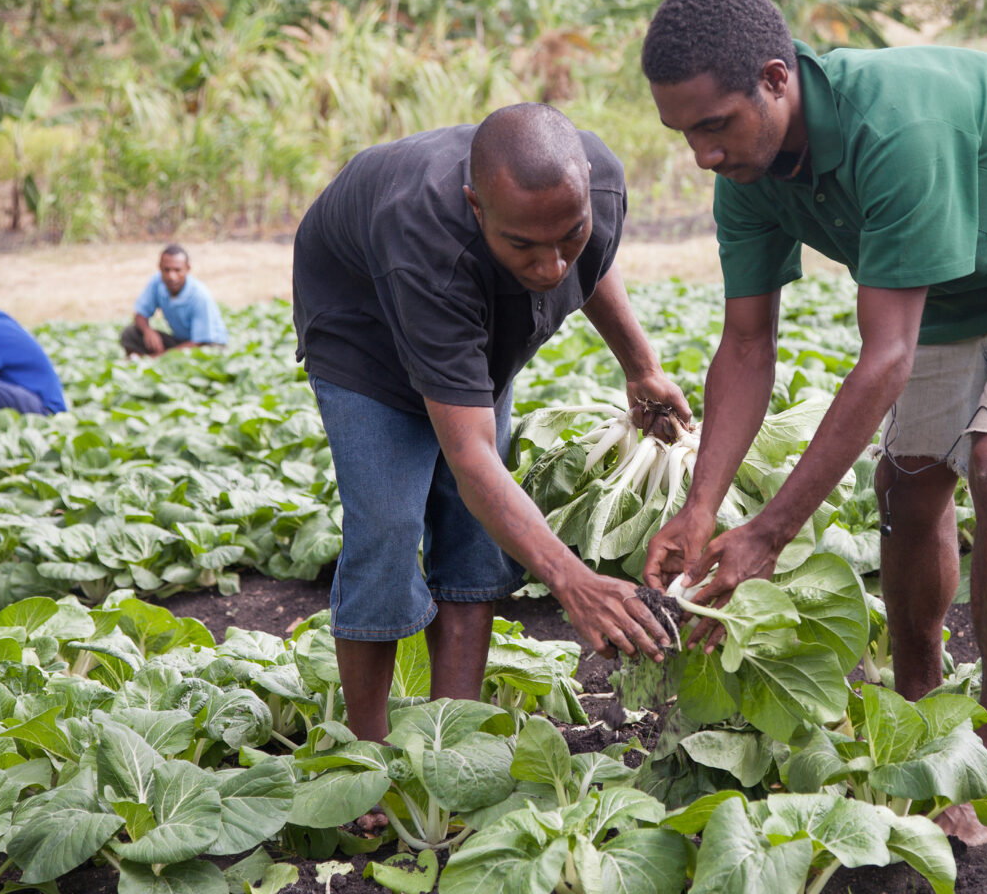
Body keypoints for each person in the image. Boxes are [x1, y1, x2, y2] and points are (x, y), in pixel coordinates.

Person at [639, 0, 987, 844]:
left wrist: (769, 533)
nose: (701, 155)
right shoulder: (750, 173)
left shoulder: (895, 127)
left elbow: (884, 358)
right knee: (910, 483)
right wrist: (702, 507)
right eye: (682, 133)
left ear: (775, 78)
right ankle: (914, 709)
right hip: (952, 276)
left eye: (714, 125)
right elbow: (745, 347)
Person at [292, 102, 690, 745]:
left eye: (569, 234)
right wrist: (571, 581)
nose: (552, 267)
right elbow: (472, 458)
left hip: (467, 316)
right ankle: (367, 753)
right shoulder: (424, 240)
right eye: (524, 246)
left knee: (475, 542)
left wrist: (641, 365)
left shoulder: (598, 185)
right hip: (362, 332)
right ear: (478, 208)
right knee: (388, 527)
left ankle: (454, 740)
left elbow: (590, 264)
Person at [119, 244, 229, 356]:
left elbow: (199, 342)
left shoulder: (199, 296)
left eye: (177, 270)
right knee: (131, 333)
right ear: (159, 267)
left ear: (187, 269)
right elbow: (140, 314)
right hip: (181, 342)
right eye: (166, 270)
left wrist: (161, 357)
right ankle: (141, 361)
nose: (171, 276)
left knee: (202, 355)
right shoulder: (157, 282)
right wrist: (148, 331)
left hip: (208, 345)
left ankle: (150, 360)